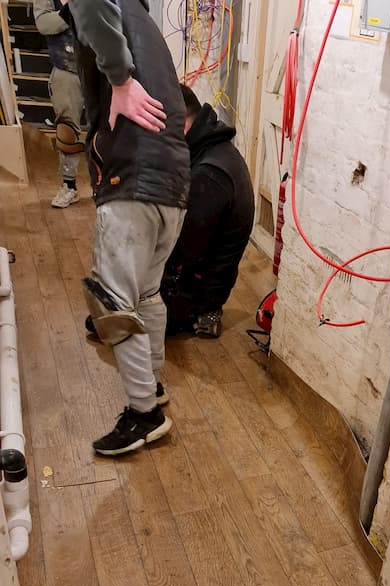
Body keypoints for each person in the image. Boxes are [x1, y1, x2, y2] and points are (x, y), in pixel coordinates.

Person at [63, 0, 190, 456]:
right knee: (148, 293)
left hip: (132, 175)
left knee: (112, 301)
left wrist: (118, 79)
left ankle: (143, 413)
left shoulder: (108, 10)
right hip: (173, 181)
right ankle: (151, 388)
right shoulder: (145, 20)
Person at [160, 85, 255, 338]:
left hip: (199, 292)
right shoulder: (213, 148)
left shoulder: (209, 175)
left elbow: (184, 253)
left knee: (128, 318)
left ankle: (203, 313)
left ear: (179, 123)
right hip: (205, 277)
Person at [33, 0, 85, 208]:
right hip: (66, 67)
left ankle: (105, 186)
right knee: (66, 130)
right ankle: (69, 186)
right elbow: (44, 24)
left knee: (107, 129)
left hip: (100, 68)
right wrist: (72, 9)